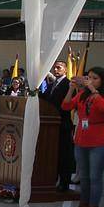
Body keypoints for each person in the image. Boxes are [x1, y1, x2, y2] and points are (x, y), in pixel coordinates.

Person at [62, 67, 104, 207]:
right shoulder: (82, 95)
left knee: (95, 177)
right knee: (84, 177)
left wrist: (92, 89)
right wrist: (71, 89)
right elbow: (66, 106)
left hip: (99, 141)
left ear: (102, 80)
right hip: (82, 139)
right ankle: (83, 205)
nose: (90, 80)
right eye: (89, 77)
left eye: (95, 78)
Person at [41, 60, 74, 192]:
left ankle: (64, 182)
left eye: (59, 68)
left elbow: (68, 103)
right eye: (54, 68)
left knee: (63, 155)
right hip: (51, 125)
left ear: (65, 70)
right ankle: (51, 179)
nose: (55, 70)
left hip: (62, 123)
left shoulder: (68, 84)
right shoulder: (52, 83)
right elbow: (46, 99)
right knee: (52, 154)